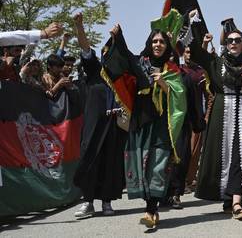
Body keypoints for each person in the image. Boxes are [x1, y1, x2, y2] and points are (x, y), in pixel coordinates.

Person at [105, 24, 186, 228]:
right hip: (141, 120)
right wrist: (118, 36)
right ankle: (151, 206)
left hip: (161, 123)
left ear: (167, 46)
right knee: (141, 165)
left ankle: (151, 210)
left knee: (157, 166)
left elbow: (180, 99)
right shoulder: (141, 63)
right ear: (150, 44)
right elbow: (124, 57)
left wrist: (164, 84)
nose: (158, 44)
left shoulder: (172, 70)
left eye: (161, 42)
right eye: (154, 41)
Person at [187, 9, 242, 220]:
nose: (233, 43)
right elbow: (196, 52)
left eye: (238, 40)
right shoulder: (216, 63)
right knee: (222, 158)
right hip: (221, 117)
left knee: (239, 157)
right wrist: (194, 23)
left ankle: (236, 202)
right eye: (230, 40)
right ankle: (229, 200)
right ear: (226, 44)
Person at [72, 12, 127, 218]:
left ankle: (106, 202)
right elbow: (85, 48)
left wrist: (118, 39)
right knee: (89, 158)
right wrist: (79, 26)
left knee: (110, 162)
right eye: (107, 51)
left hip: (113, 125)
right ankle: (88, 202)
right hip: (93, 124)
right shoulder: (95, 69)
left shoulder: (123, 78)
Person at [166, 46, 207, 209]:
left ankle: (176, 194)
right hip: (161, 127)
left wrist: (198, 123)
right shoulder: (156, 76)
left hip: (182, 126)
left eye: (172, 56)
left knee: (180, 159)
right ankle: (161, 195)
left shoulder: (185, 77)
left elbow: (194, 102)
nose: (169, 59)